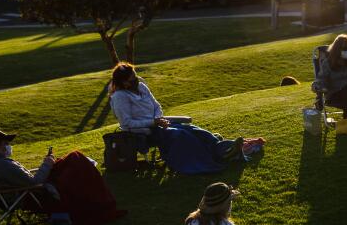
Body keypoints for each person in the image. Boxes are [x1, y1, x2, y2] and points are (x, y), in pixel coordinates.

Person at [108, 62, 264, 173]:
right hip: (143, 131)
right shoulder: (120, 97)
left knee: (194, 130)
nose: (136, 80)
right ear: (122, 83)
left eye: (135, 76)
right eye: (131, 80)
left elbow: (156, 105)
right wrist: (153, 122)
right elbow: (127, 123)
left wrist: (158, 118)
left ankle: (223, 149)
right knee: (181, 135)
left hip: (160, 123)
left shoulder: (141, 86)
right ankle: (213, 157)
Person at [0, 129, 125, 225]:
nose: (9, 146)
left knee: (74, 160)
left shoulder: (2, 163)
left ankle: (97, 193)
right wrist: (48, 163)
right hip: (34, 195)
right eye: (5, 144)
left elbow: (30, 179)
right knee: (75, 161)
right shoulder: (2, 165)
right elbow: (34, 183)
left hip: (34, 189)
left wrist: (49, 163)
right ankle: (101, 201)